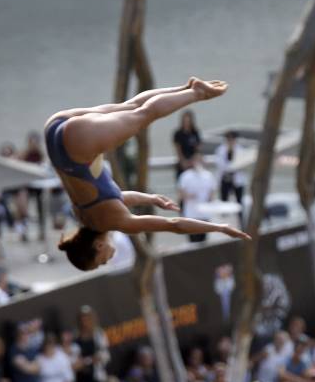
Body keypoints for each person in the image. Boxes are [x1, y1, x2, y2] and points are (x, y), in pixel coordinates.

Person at [45, 78, 248, 271]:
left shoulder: (114, 222)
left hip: (80, 145)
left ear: (98, 247)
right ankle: (185, 88)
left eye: (100, 263)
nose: (106, 262)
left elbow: (174, 225)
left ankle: (197, 93)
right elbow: (116, 198)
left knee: (145, 115)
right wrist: (150, 198)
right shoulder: (85, 218)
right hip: (55, 133)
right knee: (132, 106)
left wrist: (219, 228)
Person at [177, 150, 218, 243]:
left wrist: (210, 202)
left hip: (204, 213)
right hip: (191, 213)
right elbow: (180, 194)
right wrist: (189, 195)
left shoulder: (208, 175)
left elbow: (212, 192)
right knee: (193, 239)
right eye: (196, 159)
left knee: (203, 239)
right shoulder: (185, 176)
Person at [214, 129, 246, 204]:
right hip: (225, 178)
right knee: (224, 200)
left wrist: (232, 167)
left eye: (232, 139)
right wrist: (230, 167)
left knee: (239, 201)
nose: (231, 141)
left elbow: (241, 163)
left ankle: (240, 215)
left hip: (236, 178)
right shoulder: (220, 150)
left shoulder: (240, 150)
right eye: (229, 139)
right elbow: (220, 164)